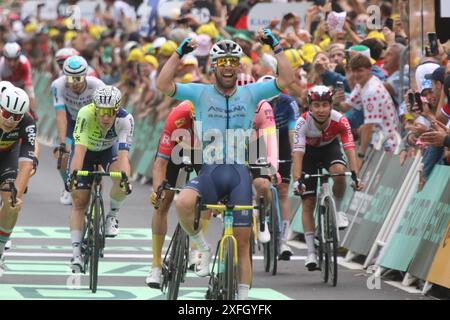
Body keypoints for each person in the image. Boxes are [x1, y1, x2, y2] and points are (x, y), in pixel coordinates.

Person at [155, 28, 295, 300]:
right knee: (183, 202)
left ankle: (242, 297)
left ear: (239, 66)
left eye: (233, 62)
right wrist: (178, 53)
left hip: (239, 174)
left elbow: (287, 78)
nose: (228, 67)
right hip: (210, 171)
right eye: (222, 63)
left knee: (243, 243)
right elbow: (162, 85)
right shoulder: (200, 93)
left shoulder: (252, 93)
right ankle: (201, 247)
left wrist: (275, 46)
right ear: (214, 67)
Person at [292, 85, 363, 271]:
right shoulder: (302, 123)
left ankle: (338, 211)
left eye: (325, 105)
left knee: (340, 171)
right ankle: (310, 253)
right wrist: (297, 180)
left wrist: (355, 175)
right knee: (308, 203)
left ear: (331, 106)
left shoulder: (340, 120)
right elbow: (298, 155)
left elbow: (349, 148)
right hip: (307, 155)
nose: (321, 110)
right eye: (316, 105)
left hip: (328, 150)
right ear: (309, 107)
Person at [66, 86, 133, 272]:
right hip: (86, 152)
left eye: (110, 112)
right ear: (95, 108)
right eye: (101, 112)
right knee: (80, 200)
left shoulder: (125, 120)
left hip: (107, 151)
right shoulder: (85, 114)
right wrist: (73, 177)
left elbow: (124, 156)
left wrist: (125, 180)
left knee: (122, 179)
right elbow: (79, 152)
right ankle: (76, 253)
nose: (105, 117)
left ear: (117, 110)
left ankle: (113, 216)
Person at [145, 100, 204, 289]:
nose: (198, 122)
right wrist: (157, 190)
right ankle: (155, 265)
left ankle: (196, 251)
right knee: (163, 202)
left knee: (207, 197)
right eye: (195, 119)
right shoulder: (177, 117)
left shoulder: (216, 120)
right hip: (175, 151)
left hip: (203, 152)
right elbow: (160, 164)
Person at [255, 75, 300, 260]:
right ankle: (261, 214)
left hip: (281, 142)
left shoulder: (289, 103)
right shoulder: (254, 104)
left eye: (274, 100)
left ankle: (283, 240)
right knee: (261, 184)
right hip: (259, 141)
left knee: (282, 191)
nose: (271, 107)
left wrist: (294, 154)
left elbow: (292, 132)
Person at [52, 55, 105, 205]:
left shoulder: (97, 85)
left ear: (85, 75)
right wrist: (63, 143)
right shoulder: (58, 85)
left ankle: (97, 197)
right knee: (63, 156)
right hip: (73, 123)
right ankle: (68, 186)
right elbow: (61, 116)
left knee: (97, 160)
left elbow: (105, 115)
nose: (74, 83)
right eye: (70, 79)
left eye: (78, 79)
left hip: (94, 124)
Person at [0, 87, 36, 275]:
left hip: (8, 156)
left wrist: (16, 196)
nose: (10, 120)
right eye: (6, 113)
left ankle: (0, 251)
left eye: (16, 116)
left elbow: (26, 164)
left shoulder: (28, 122)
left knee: (12, 203)